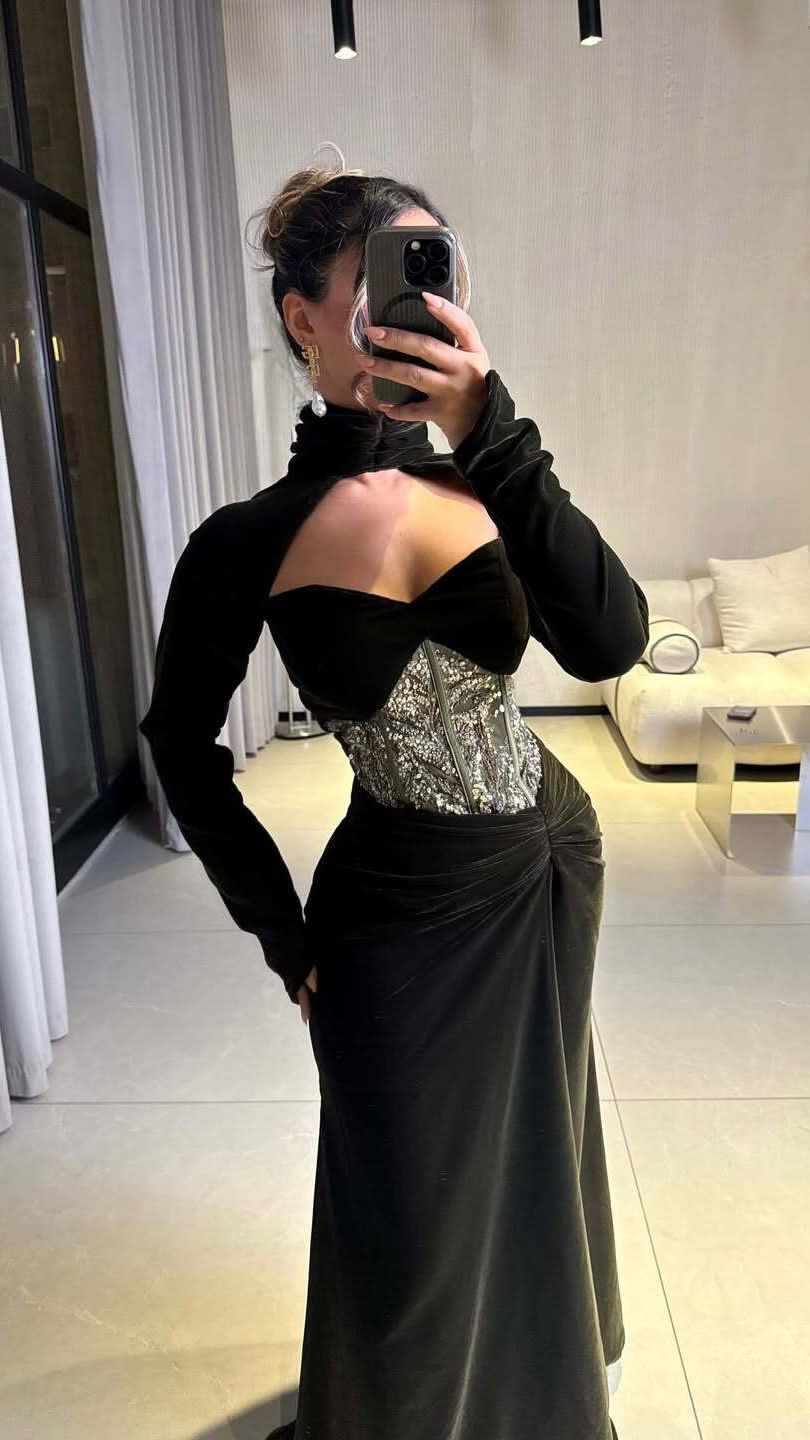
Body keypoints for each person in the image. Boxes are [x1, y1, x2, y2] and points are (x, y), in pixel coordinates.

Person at [138, 162, 648, 1440]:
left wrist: (491, 426)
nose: (408, 310)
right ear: (303, 316)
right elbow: (179, 744)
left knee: (537, 1139)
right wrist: (280, 930)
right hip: (396, 917)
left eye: (432, 276)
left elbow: (612, 642)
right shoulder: (248, 539)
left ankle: (533, 1400)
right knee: (405, 1211)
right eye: (376, 285)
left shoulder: (489, 481)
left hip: (547, 862)